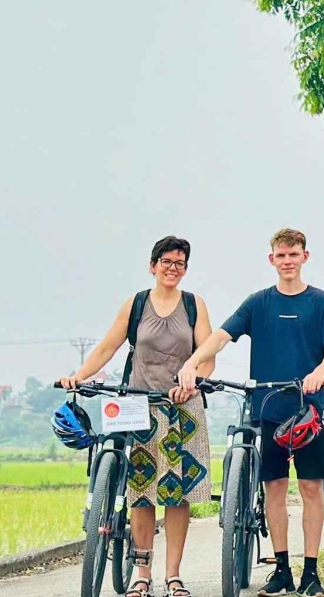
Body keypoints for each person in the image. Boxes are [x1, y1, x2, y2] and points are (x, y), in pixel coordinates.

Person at [178, 229, 324, 597]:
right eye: (281, 255)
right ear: (272, 259)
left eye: (294, 255)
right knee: (274, 488)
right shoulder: (258, 303)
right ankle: (282, 568)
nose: (287, 261)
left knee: (312, 487)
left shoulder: (321, 302)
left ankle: (311, 572)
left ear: (305, 257)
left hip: (308, 412)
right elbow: (221, 336)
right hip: (268, 409)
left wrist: (319, 373)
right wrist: (192, 362)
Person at [58, 236, 214, 597]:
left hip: (181, 405)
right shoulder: (137, 304)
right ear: (152, 265)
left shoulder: (194, 305)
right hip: (137, 405)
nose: (172, 268)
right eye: (166, 262)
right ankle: (142, 574)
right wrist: (79, 377)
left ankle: (173, 576)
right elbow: (108, 346)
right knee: (140, 491)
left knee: (177, 495)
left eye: (180, 263)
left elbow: (207, 353)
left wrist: (193, 382)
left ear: (185, 269)